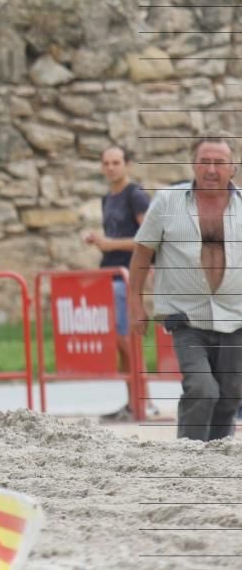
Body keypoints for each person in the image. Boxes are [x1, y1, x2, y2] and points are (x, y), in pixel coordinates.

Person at [129, 133, 242, 442]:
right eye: (204, 162)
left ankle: (218, 452)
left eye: (219, 163)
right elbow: (142, 253)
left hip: (236, 317)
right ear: (193, 164)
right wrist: (136, 303)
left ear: (232, 167)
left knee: (232, 393)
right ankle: (187, 453)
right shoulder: (167, 201)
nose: (211, 170)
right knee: (202, 389)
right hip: (185, 318)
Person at [82, 145, 157, 422]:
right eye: (106, 163)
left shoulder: (135, 195)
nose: (110, 167)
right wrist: (99, 242)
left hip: (128, 274)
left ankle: (145, 400)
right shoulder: (107, 199)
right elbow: (113, 237)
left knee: (129, 340)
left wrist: (111, 243)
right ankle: (132, 400)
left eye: (115, 162)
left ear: (127, 164)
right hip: (109, 272)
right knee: (119, 341)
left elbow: (147, 236)